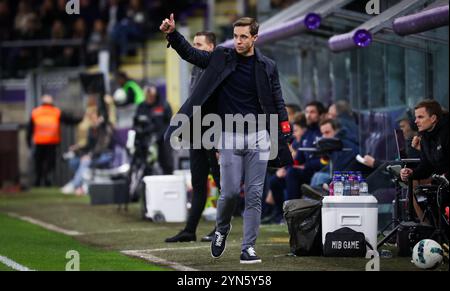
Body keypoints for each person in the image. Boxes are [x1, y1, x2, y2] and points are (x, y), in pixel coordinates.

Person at [161, 14, 292, 264]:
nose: (239, 41)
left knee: (254, 195)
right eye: (235, 36)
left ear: (255, 37)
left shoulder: (267, 66)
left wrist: (285, 130)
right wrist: (173, 35)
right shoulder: (222, 57)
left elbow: (277, 99)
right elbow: (192, 55)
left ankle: (248, 248)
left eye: (244, 36)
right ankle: (222, 229)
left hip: (259, 137)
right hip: (229, 133)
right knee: (230, 192)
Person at [165, 31, 220, 243]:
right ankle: (190, 230)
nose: (195, 47)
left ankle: (220, 228)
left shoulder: (213, 65)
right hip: (196, 132)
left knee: (221, 183)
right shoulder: (196, 68)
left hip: (213, 132)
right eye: (194, 43)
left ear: (211, 48)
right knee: (198, 183)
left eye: (199, 44)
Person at [400, 100, 449, 221]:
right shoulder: (425, 136)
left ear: (433, 118)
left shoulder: (447, 132)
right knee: (415, 185)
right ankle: (428, 229)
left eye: (420, 117)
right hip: (442, 182)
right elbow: (426, 166)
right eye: (416, 117)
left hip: (446, 180)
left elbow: (441, 161)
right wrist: (411, 173)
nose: (416, 121)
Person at [27, 95, 80, 187]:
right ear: (51, 103)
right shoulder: (56, 111)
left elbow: (30, 129)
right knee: (50, 163)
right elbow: (69, 120)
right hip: (51, 141)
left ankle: (38, 181)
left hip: (39, 141)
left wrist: (28, 141)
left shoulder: (35, 112)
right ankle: (46, 178)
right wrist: (81, 120)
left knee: (38, 162)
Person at [285, 101, 325, 200]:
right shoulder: (307, 133)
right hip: (306, 169)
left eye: (312, 112)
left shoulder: (324, 131)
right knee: (278, 178)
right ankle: (280, 212)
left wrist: (305, 166)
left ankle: (294, 211)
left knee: (292, 173)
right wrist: (286, 166)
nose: (308, 115)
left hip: (318, 170)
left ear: (321, 115)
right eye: (307, 112)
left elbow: (325, 159)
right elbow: (299, 157)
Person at [134, 85, 174, 175]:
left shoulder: (163, 105)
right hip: (146, 140)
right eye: (147, 95)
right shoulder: (141, 107)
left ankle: (167, 177)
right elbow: (136, 123)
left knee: (166, 161)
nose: (149, 97)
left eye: (151, 95)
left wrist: (158, 136)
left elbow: (169, 123)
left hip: (162, 138)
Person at [310, 118, 359, 187]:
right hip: (335, 174)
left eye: (327, 132)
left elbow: (341, 166)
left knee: (320, 177)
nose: (324, 136)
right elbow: (327, 166)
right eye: (322, 133)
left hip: (346, 176)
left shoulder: (344, 144)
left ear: (336, 131)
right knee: (317, 175)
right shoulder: (332, 145)